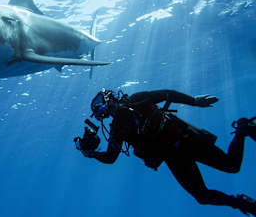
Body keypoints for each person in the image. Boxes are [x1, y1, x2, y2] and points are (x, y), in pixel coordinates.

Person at [74, 89, 256, 216]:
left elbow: (167, 94)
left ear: (109, 97)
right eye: (97, 110)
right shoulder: (117, 129)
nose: (101, 109)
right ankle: (241, 202)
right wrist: (91, 153)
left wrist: (194, 101)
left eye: (99, 103)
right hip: (174, 157)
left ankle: (242, 130)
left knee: (232, 166)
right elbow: (110, 158)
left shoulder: (136, 100)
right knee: (202, 196)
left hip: (187, 139)